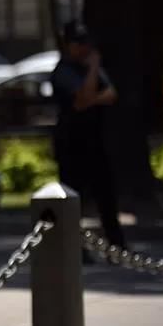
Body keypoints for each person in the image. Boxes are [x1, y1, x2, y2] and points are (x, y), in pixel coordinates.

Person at [51, 20, 125, 249]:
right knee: (74, 199)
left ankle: (117, 245)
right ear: (67, 44)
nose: (83, 48)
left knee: (106, 194)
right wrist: (93, 69)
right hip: (71, 143)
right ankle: (75, 248)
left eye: (86, 43)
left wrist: (91, 97)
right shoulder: (64, 71)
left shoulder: (87, 68)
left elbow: (111, 93)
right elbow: (81, 97)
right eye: (78, 43)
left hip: (95, 141)